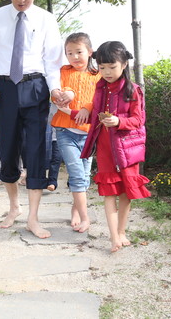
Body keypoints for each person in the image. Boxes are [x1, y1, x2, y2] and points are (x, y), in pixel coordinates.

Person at [0, 0, 68, 239]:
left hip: (37, 87)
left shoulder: (46, 19)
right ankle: (14, 207)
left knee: (37, 149)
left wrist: (55, 90)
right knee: (7, 148)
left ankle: (33, 217)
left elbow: (53, 62)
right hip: (5, 89)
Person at [80, 41, 151, 252]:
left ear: (124, 64)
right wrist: (74, 113)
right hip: (105, 147)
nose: (107, 72)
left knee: (126, 191)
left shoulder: (133, 90)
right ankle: (113, 237)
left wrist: (119, 121)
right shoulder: (100, 87)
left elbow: (138, 120)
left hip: (127, 148)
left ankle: (121, 231)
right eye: (102, 67)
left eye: (112, 67)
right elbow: (95, 115)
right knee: (109, 191)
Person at [53, 32, 102, 233]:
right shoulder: (62, 72)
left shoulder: (99, 75)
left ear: (90, 52)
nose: (74, 57)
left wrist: (87, 108)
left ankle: (75, 210)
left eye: (79, 52)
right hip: (66, 131)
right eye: (69, 53)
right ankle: (85, 218)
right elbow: (55, 93)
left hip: (89, 135)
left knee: (84, 176)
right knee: (77, 174)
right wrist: (65, 93)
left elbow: (100, 99)